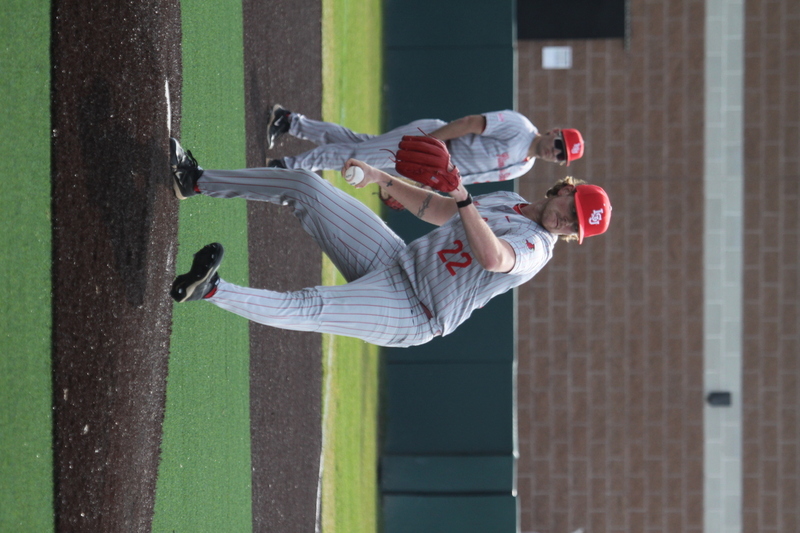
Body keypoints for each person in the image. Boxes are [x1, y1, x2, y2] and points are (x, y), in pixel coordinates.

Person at [168, 137, 610, 348]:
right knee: (306, 186)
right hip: (396, 259)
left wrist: (462, 197)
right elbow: (438, 211)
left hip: (413, 311)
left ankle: (209, 288)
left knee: (312, 305)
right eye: (573, 209)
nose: (567, 221)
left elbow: (493, 258)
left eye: (575, 227)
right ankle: (195, 181)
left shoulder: (536, 248)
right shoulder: (512, 199)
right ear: (567, 188)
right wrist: (385, 181)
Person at [263, 105, 585, 185]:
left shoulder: (523, 166)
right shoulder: (520, 127)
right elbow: (471, 123)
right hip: (433, 141)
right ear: (554, 131)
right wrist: (429, 142)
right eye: (560, 143)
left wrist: (433, 184)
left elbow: (470, 177)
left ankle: (290, 121)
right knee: (357, 157)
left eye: (561, 156)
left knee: (359, 146)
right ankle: (286, 168)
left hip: (431, 162)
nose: (555, 152)